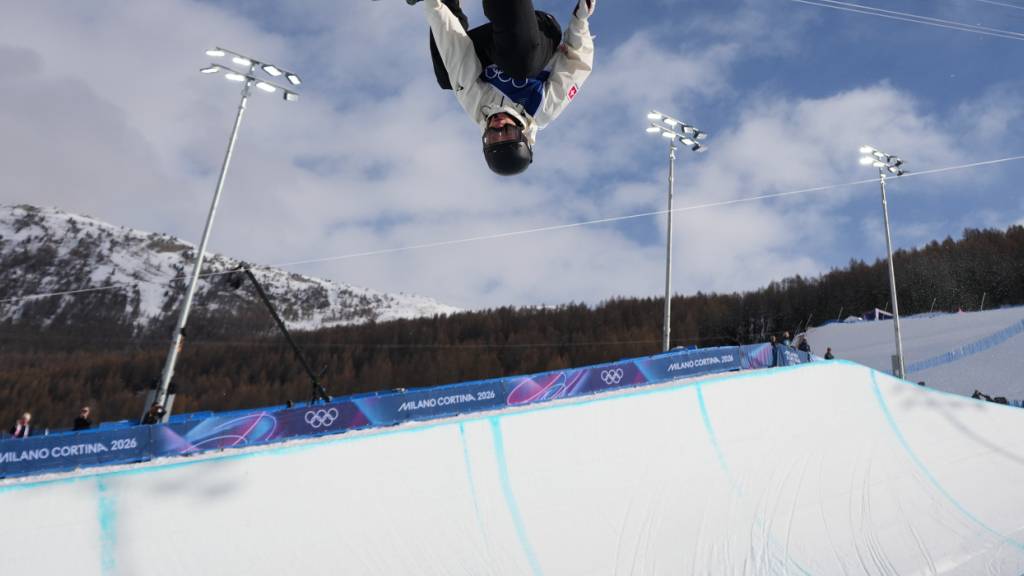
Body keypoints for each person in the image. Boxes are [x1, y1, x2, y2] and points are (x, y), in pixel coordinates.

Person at [413, 0, 596, 176]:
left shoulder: (477, 107)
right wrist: (580, 20)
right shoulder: (541, 107)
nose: (498, 126)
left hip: (492, 47)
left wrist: (433, 4)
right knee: (520, 67)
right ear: (523, 135)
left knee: (448, 76)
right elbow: (577, 65)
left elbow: (456, 54)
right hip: (535, 34)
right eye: (507, 132)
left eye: (492, 136)